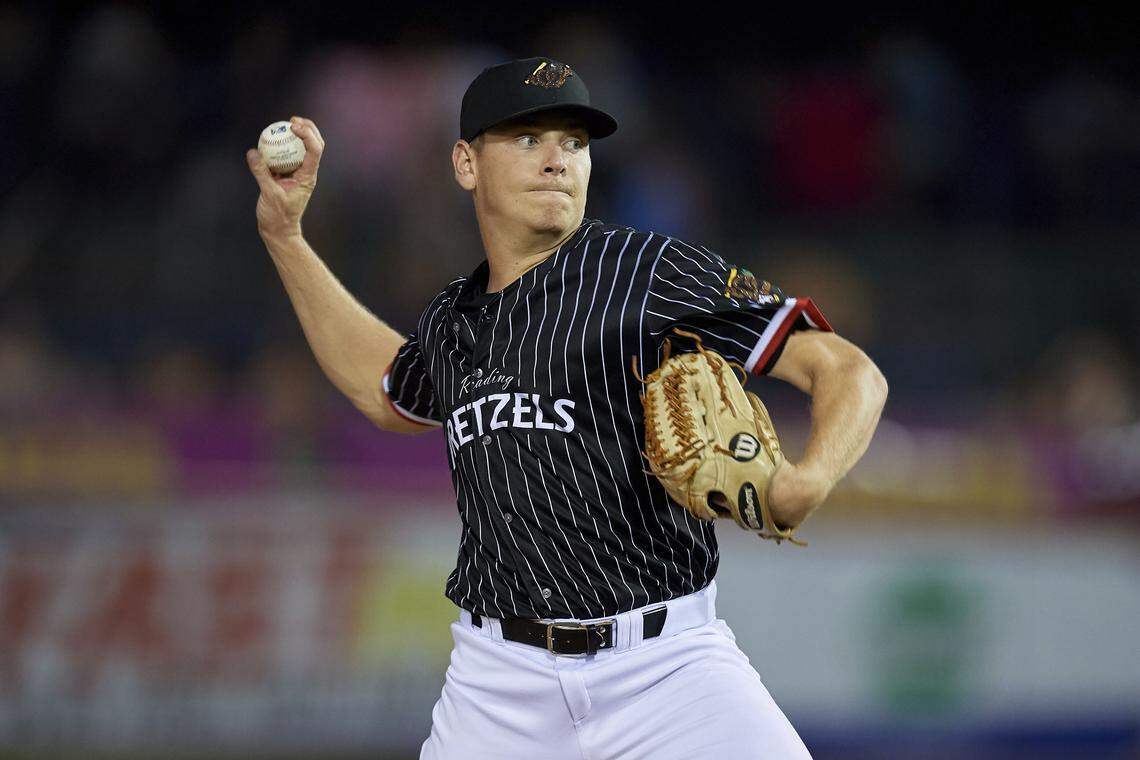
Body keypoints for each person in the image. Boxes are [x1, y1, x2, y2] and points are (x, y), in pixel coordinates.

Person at [247, 57, 888, 759]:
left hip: (666, 671)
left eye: (574, 143)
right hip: (498, 686)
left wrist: (810, 478)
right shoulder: (452, 321)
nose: (557, 159)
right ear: (466, 163)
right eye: (527, 139)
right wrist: (286, 237)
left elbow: (846, 368)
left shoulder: (647, 272)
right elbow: (388, 390)